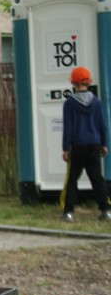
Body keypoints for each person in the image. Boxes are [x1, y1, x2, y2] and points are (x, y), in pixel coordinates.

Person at [60, 66, 111, 222]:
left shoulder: (69, 104)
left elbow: (68, 127)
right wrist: (104, 143)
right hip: (94, 145)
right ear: (89, 82)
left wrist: (66, 148)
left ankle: (68, 212)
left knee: (72, 179)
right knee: (96, 178)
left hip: (77, 146)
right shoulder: (96, 102)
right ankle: (106, 210)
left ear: (74, 83)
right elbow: (102, 124)